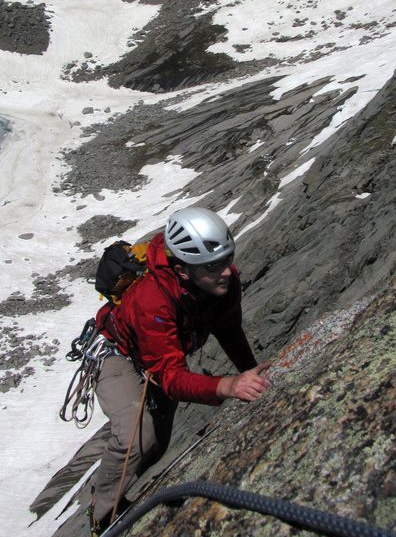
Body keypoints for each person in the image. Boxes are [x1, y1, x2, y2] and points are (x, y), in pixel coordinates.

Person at [89, 206, 270, 532]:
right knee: (139, 436)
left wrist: (253, 372)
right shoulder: (152, 299)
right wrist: (228, 386)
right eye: (213, 267)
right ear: (184, 271)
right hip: (116, 354)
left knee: (156, 446)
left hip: (156, 357)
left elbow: (228, 329)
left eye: (227, 260)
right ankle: (103, 516)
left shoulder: (223, 281)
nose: (227, 272)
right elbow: (170, 378)